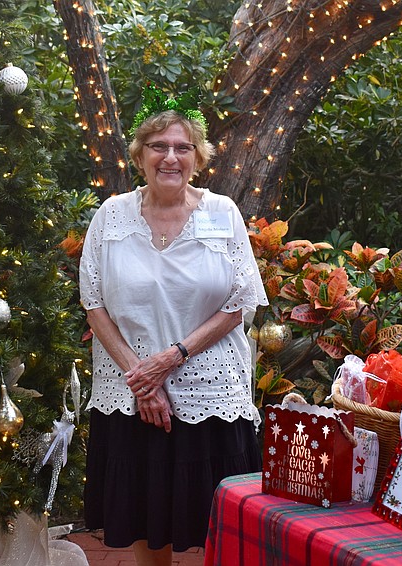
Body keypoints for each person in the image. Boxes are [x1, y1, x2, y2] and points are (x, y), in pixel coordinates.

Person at [79, 85, 268, 566]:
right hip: (131, 394)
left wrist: (170, 359)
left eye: (183, 147)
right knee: (148, 518)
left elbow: (240, 302)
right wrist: (141, 379)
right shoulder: (110, 217)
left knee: (221, 525)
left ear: (198, 158)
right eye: (159, 146)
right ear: (139, 155)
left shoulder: (221, 213)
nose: (170, 157)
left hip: (210, 395)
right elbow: (94, 304)